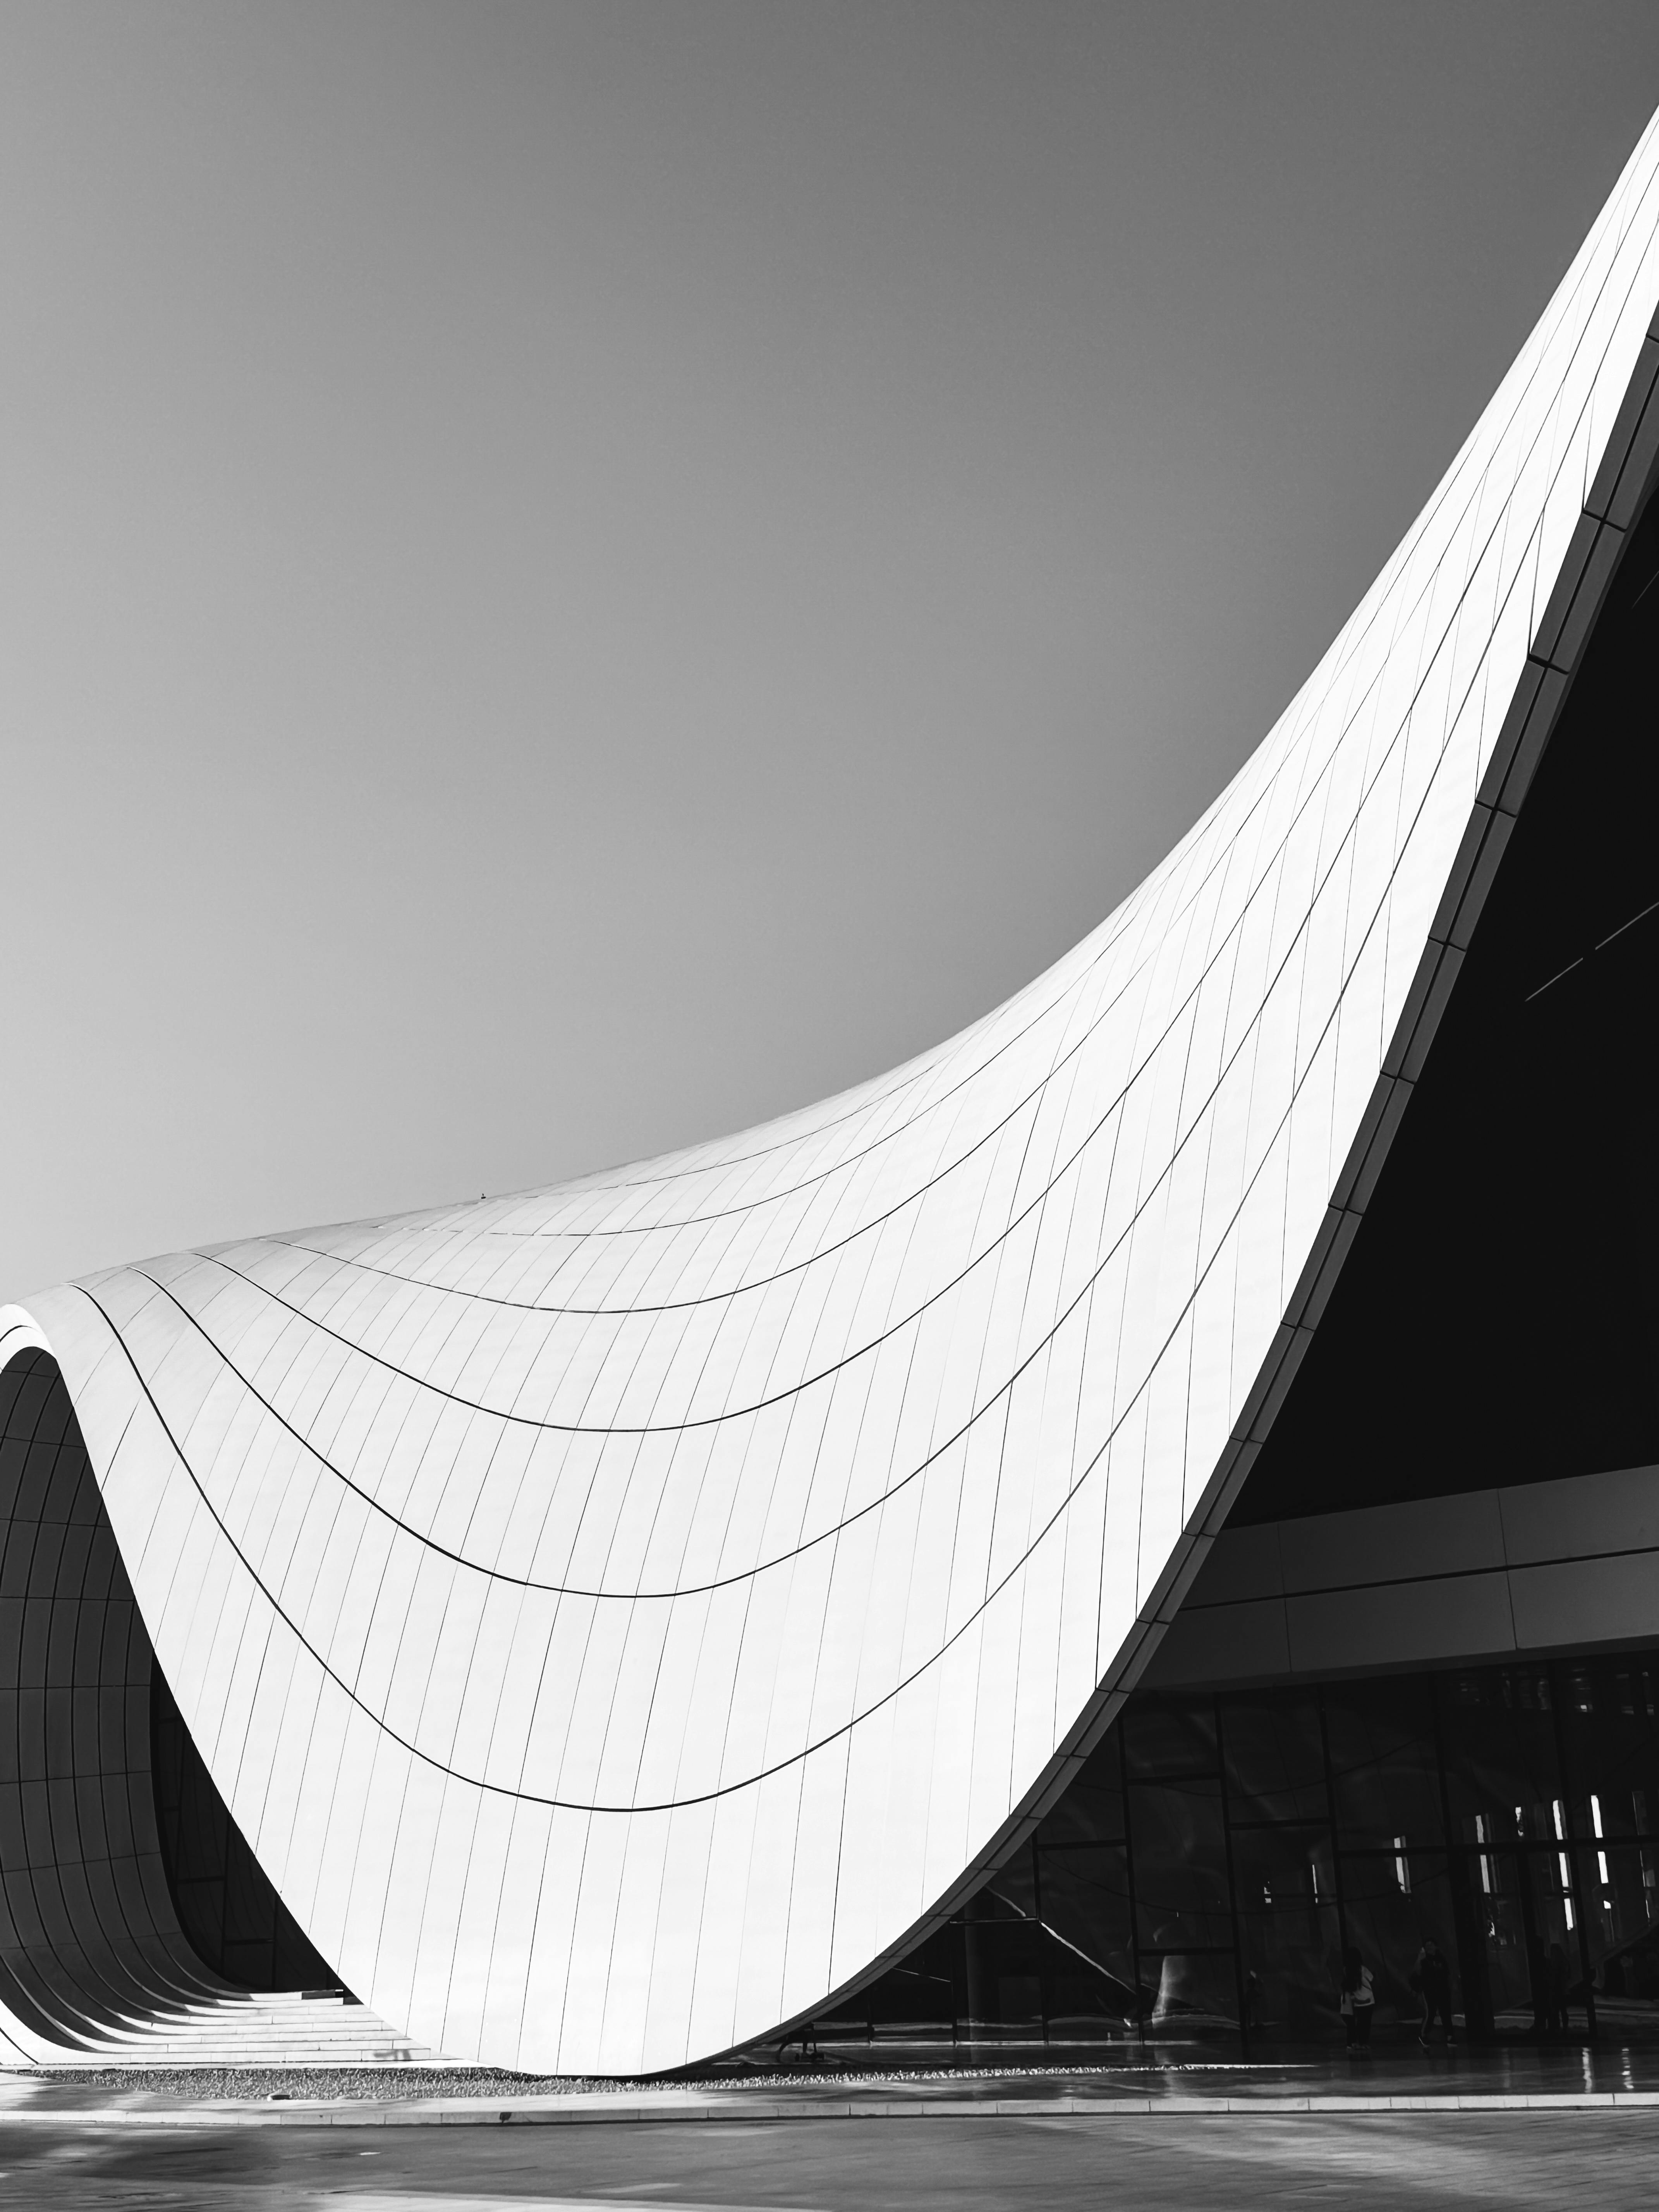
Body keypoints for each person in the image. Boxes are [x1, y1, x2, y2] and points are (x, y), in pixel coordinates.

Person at [1414, 1937, 1454, 2047]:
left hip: (1443, 1990)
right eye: (1427, 1946)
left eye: (1431, 1945)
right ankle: (1423, 2035)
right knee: (1431, 2013)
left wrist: (1450, 1987)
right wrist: (1419, 1959)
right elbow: (1417, 1972)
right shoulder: (1424, 1959)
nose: (1429, 1947)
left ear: (1436, 1947)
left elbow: (1447, 1973)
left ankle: (1450, 2037)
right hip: (1429, 1991)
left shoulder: (1441, 1958)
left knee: (1446, 2013)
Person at [1341, 1947, 1376, 2049]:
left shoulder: (1346, 1970)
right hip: (1368, 2000)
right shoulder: (1363, 1970)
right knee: (1366, 2023)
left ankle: (1355, 2043)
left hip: (1356, 2001)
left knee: (1358, 2023)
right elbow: (1372, 1979)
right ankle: (1363, 2043)